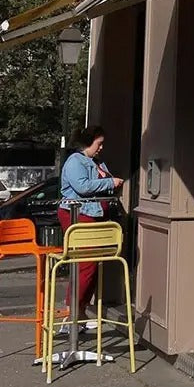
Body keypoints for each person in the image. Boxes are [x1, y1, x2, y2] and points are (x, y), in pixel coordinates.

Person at [58, 125, 123, 330]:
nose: (101, 148)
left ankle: (81, 310)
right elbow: (83, 187)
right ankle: (72, 312)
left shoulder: (97, 162)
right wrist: (110, 182)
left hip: (94, 214)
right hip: (78, 213)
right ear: (89, 142)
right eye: (99, 143)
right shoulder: (75, 161)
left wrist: (109, 181)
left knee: (92, 265)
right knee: (86, 264)